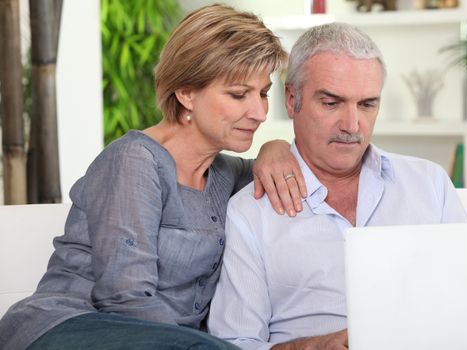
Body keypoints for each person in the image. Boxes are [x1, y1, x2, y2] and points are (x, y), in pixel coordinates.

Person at [0, 5, 306, 350]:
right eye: (238, 95)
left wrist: (276, 147)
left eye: (263, 93)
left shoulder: (225, 173)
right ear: (186, 93)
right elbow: (125, 298)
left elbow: (285, 170)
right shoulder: (134, 161)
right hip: (66, 327)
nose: (260, 113)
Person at [207, 23, 467, 350]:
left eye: (367, 104)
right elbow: (235, 344)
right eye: (331, 103)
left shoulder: (430, 184)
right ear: (292, 100)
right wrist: (312, 347)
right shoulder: (251, 211)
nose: (352, 125)